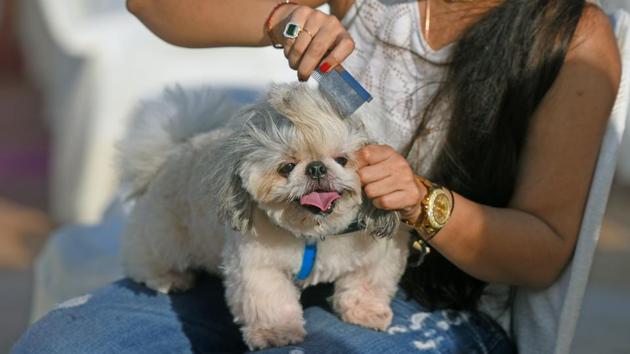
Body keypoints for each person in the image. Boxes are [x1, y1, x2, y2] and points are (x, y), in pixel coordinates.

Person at [13, 0, 621, 353]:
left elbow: (541, 251)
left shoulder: (570, 35)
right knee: (64, 343)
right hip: (272, 259)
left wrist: (421, 202)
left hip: (434, 302)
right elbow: (152, 6)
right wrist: (283, 19)